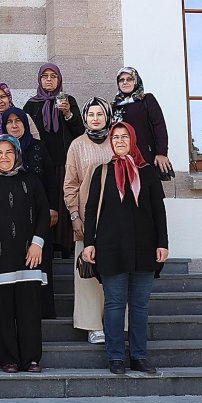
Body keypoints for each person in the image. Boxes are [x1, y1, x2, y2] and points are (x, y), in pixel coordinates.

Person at [81, 122, 170, 375]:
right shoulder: (102, 172)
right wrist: (89, 243)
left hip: (144, 248)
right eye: (115, 137)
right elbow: (90, 211)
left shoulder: (148, 172)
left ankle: (139, 356)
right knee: (115, 303)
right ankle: (116, 357)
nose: (119, 141)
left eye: (124, 137)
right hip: (111, 248)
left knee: (140, 305)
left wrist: (162, 243)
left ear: (132, 140)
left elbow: (158, 211)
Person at [0, 136, 49, 373]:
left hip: (28, 256)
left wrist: (38, 243)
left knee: (30, 312)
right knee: (3, 312)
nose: (4, 157)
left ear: (17, 155)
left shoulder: (31, 181)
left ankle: (31, 358)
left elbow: (44, 213)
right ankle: (9, 359)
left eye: (9, 152)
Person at [64, 97, 116, 345]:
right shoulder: (76, 145)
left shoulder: (116, 141)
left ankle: (117, 323)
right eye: (91, 114)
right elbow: (70, 184)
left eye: (100, 114)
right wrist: (74, 215)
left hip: (116, 219)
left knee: (116, 271)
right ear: (84, 118)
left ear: (107, 116)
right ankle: (92, 325)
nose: (95, 119)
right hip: (87, 219)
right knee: (88, 273)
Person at [3, 107, 60, 319]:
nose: (15, 125)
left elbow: (51, 181)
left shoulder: (38, 147)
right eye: (10, 121)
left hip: (39, 215)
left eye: (19, 121)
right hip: (9, 218)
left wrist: (53, 207)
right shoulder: (1, 150)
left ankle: (43, 310)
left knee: (41, 261)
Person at [24, 63, 84, 259]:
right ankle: (45, 242)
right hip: (40, 164)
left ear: (59, 79)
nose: (49, 80)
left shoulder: (68, 100)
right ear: (39, 80)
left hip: (65, 162)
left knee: (64, 202)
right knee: (45, 202)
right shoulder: (32, 104)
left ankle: (65, 246)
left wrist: (68, 114)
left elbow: (80, 131)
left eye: (53, 76)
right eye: (45, 76)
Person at [110, 67, 173, 178]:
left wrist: (161, 153)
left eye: (129, 79)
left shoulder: (147, 100)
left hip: (145, 156)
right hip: (122, 158)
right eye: (121, 80)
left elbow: (159, 126)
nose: (125, 82)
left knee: (147, 192)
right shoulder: (114, 106)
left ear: (136, 81)